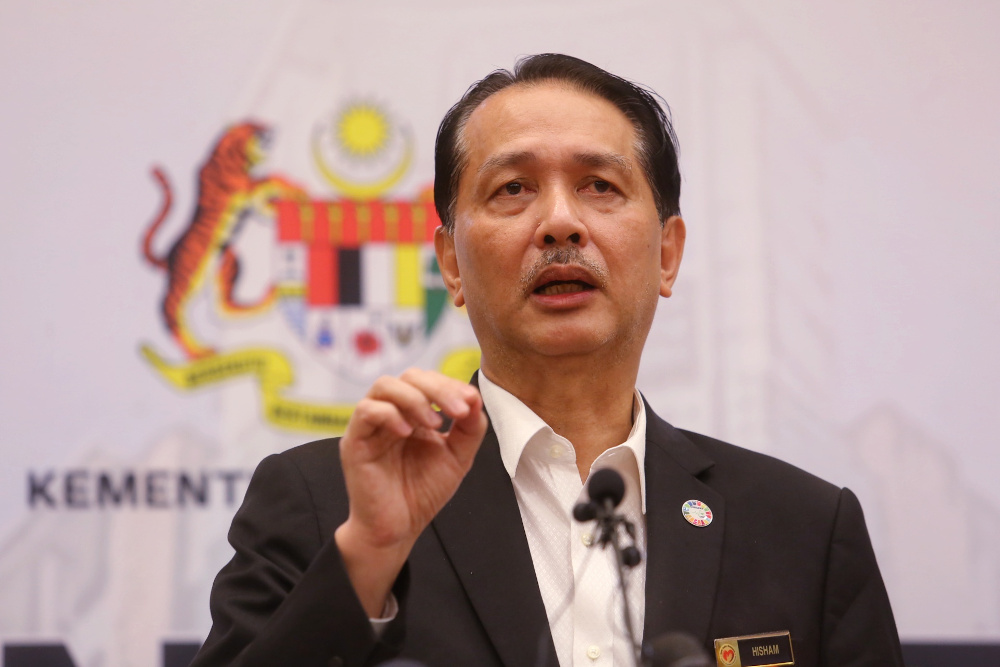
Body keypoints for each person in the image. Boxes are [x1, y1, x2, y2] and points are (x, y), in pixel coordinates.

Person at [190, 54, 904, 667]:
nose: (560, 221)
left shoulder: (803, 528)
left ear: (667, 252)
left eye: (600, 185)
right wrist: (370, 554)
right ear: (452, 265)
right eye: (513, 189)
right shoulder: (327, 504)